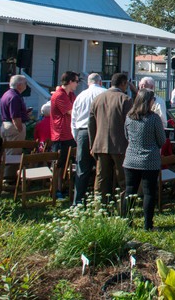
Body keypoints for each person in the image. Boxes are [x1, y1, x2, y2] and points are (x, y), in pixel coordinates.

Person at [122, 88, 166, 229]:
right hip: (149, 160)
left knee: (130, 191)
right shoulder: (153, 118)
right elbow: (161, 140)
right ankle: (148, 225)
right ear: (148, 101)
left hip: (131, 158)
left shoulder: (129, 116)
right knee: (149, 193)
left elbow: (126, 136)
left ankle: (126, 222)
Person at [89, 72, 132, 204]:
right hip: (121, 146)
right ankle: (124, 210)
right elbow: (130, 125)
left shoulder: (97, 99)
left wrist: (92, 145)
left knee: (101, 180)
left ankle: (100, 209)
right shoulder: (125, 99)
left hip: (100, 145)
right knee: (124, 181)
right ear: (123, 83)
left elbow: (91, 124)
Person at [70, 72, 107, 205]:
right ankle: (101, 200)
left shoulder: (80, 96)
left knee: (82, 168)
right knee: (102, 168)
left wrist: (77, 137)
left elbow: (73, 119)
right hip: (100, 131)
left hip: (82, 132)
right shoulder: (105, 93)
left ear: (88, 83)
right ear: (100, 82)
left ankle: (78, 201)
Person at [50, 71, 79, 199]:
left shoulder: (71, 94)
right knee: (59, 165)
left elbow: (77, 106)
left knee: (68, 163)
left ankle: (64, 187)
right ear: (70, 82)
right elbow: (71, 111)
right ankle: (56, 190)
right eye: (76, 81)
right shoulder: (59, 95)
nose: (77, 84)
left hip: (70, 134)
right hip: (60, 135)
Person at [0, 75, 30, 179]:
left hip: (5, 125)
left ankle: (5, 174)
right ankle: (9, 178)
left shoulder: (6, 94)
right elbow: (15, 116)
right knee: (14, 152)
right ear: (19, 85)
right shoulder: (15, 97)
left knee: (8, 151)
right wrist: (20, 129)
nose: (26, 85)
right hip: (13, 126)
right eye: (25, 83)